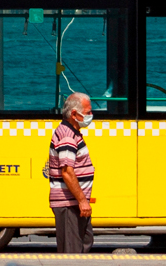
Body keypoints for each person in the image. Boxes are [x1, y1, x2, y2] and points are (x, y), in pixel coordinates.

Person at [44, 92, 95, 254]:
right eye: (88, 112)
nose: (91, 116)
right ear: (74, 114)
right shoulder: (67, 136)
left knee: (85, 241)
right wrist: (82, 201)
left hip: (74, 204)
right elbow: (67, 172)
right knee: (71, 253)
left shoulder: (72, 133)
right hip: (69, 204)